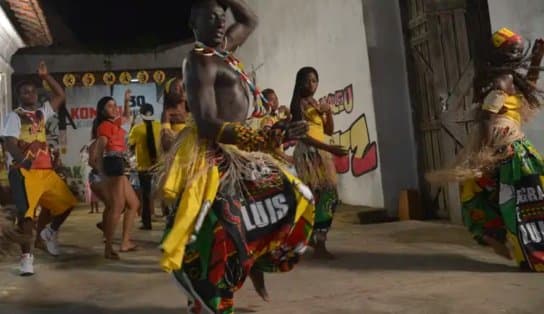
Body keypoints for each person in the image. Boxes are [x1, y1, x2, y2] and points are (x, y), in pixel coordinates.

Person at [158, 1, 315, 312]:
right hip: (211, 150)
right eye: (210, 18)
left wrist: (272, 132)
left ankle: (254, 261)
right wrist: (258, 137)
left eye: (222, 17)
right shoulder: (198, 61)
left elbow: (250, 19)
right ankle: (204, 293)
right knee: (218, 225)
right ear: (194, 23)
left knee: (295, 197)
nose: (219, 24)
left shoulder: (224, 48)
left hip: (244, 150)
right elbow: (205, 124)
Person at [427, 28, 544, 272]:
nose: (516, 54)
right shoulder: (499, 82)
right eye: (512, 50)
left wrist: (537, 59)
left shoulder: (512, 78)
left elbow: (529, 88)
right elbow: (485, 117)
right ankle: (508, 244)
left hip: (516, 146)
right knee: (488, 195)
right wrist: (489, 152)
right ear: (500, 54)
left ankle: (518, 246)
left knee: (524, 198)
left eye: (518, 50)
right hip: (505, 147)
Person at [1, 61, 77, 276]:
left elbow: (61, 95)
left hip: (46, 171)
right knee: (27, 216)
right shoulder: (14, 116)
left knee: (67, 203)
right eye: (26, 92)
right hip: (24, 172)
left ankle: (49, 232)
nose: (31, 95)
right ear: (20, 97)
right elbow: (9, 142)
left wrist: (46, 77)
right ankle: (26, 258)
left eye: (33, 92)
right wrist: (22, 161)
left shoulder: (42, 113)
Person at [290, 66, 349, 259]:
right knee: (314, 198)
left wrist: (328, 112)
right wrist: (330, 149)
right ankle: (315, 241)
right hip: (309, 155)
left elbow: (328, 132)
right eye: (307, 81)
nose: (311, 84)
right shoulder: (298, 104)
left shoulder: (315, 102)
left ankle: (317, 239)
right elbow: (303, 136)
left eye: (314, 80)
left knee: (329, 197)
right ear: (300, 82)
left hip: (322, 154)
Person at [93, 91, 140, 259]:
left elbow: (126, 117)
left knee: (134, 203)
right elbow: (99, 151)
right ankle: (108, 247)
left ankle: (125, 242)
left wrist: (126, 101)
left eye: (115, 105)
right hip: (112, 164)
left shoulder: (116, 123)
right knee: (117, 207)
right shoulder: (105, 126)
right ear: (102, 110)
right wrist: (102, 173)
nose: (114, 108)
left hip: (119, 163)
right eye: (110, 106)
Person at [128, 103, 161, 230]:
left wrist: (132, 124)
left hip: (144, 168)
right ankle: (171, 220)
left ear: (141, 115)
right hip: (160, 167)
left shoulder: (136, 129)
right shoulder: (159, 126)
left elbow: (130, 145)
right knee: (166, 194)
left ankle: (147, 223)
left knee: (145, 197)